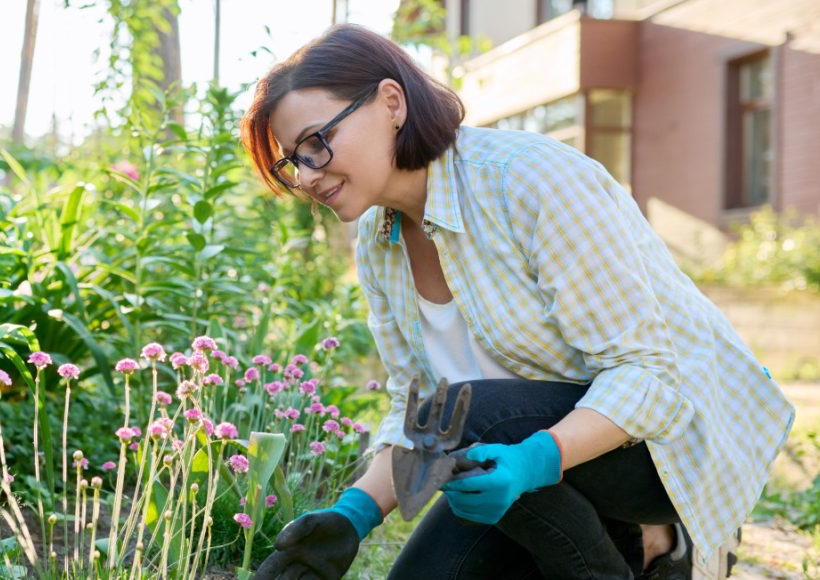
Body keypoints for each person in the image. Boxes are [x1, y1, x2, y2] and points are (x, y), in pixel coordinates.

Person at [239, 24, 796, 580]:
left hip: (668, 448)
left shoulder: (527, 180)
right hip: (516, 450)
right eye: (293, 162)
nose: (308, 176)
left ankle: (651, 546)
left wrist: (533, 462)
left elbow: (647, 374)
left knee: (467, 412)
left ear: (391, 102)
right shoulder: (378, 243)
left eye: (317, 142)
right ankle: (640, 549)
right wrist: (352, 516)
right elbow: (417, 410)